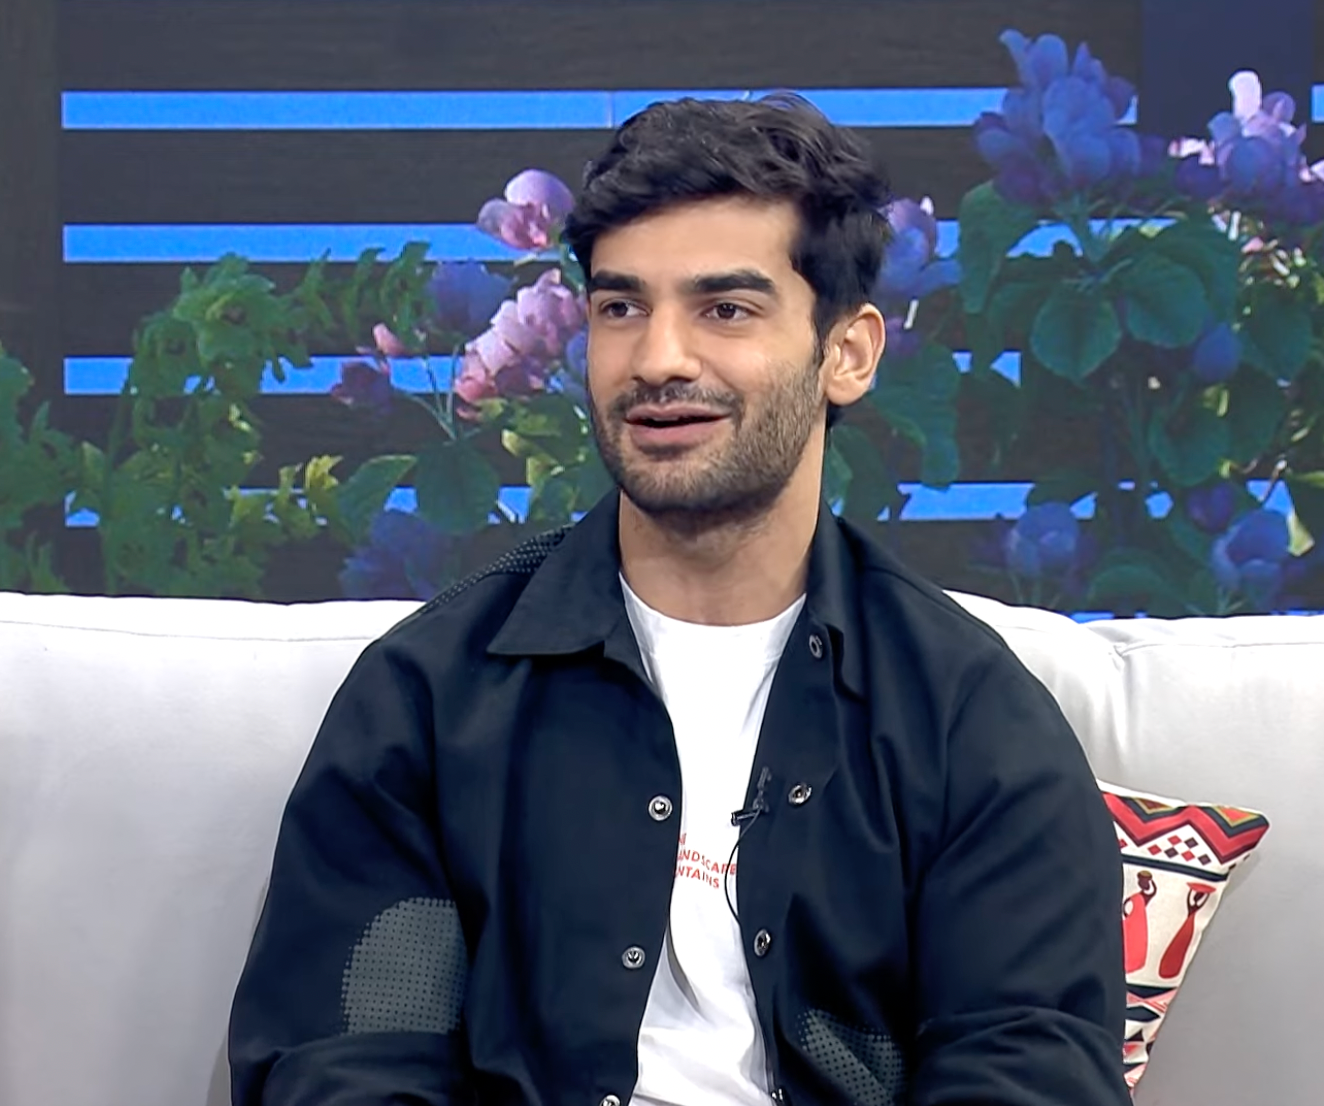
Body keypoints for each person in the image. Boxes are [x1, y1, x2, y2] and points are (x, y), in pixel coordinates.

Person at [229, 94, 1129, 1106]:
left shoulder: (970, 719)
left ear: (848, 353)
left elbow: (1027, 1065)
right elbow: (345, 1059)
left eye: (724, 309)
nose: (658, 358)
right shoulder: (431, 699)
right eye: (621, 308)